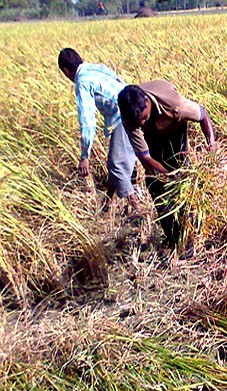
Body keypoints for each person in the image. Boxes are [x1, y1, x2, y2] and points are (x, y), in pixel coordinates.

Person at [117, 81, 215, 246]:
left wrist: (211, 143)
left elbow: (203, 114)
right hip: (153, 135)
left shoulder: (175, 105)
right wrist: (169, 177)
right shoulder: (131, 117)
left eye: (143, 118)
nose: (141, 124)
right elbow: (146, 159)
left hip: (174, 127)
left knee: (182, 180)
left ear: (147, 103)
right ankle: (173, 238)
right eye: (137, 122)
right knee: (155, 185)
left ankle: (190, 235)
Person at [57, 48, 138, 210]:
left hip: (122, 117)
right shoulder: (95, 68)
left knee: (116, 165)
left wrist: (84, 155)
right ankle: (107, 205)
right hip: (134, 107)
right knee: (117, 162)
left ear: (66, 71)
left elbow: (87, 120)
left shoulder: (82, 83)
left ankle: (138, 210)